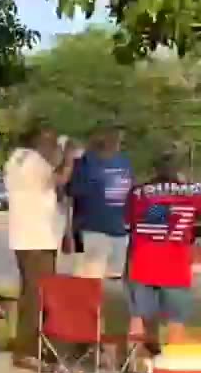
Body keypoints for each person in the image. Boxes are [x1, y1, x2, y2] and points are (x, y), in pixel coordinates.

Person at [5, 123, 78, 371]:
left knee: (33, 293)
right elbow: (60, 179)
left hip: (28, 238)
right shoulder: (34, 161)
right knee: (37, 296)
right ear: (37, 140)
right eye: (49, 141)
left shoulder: (17, 157)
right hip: (37, 239)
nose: (52, 146)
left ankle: (37, 346)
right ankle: (26, 351)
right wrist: (68, 157)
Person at [124, 153, 201, 351]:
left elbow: (130, 224)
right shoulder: (194, 192)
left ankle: (134, 368)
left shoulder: (138, 192)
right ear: (179, 171)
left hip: (143, 260)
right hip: (176, 263)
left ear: (155, 170)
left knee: (138, 317)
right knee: (176, 319)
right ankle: (171, 368)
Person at [68, 125, 132, 279]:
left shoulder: (124, 162)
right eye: (112, 137)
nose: (116, 142)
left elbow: (129, 193)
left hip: (119, 231)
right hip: (90, 231)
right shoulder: (85, 162)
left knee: (115, 276)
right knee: (88, 280)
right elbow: (73, 194)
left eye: (118, 139)